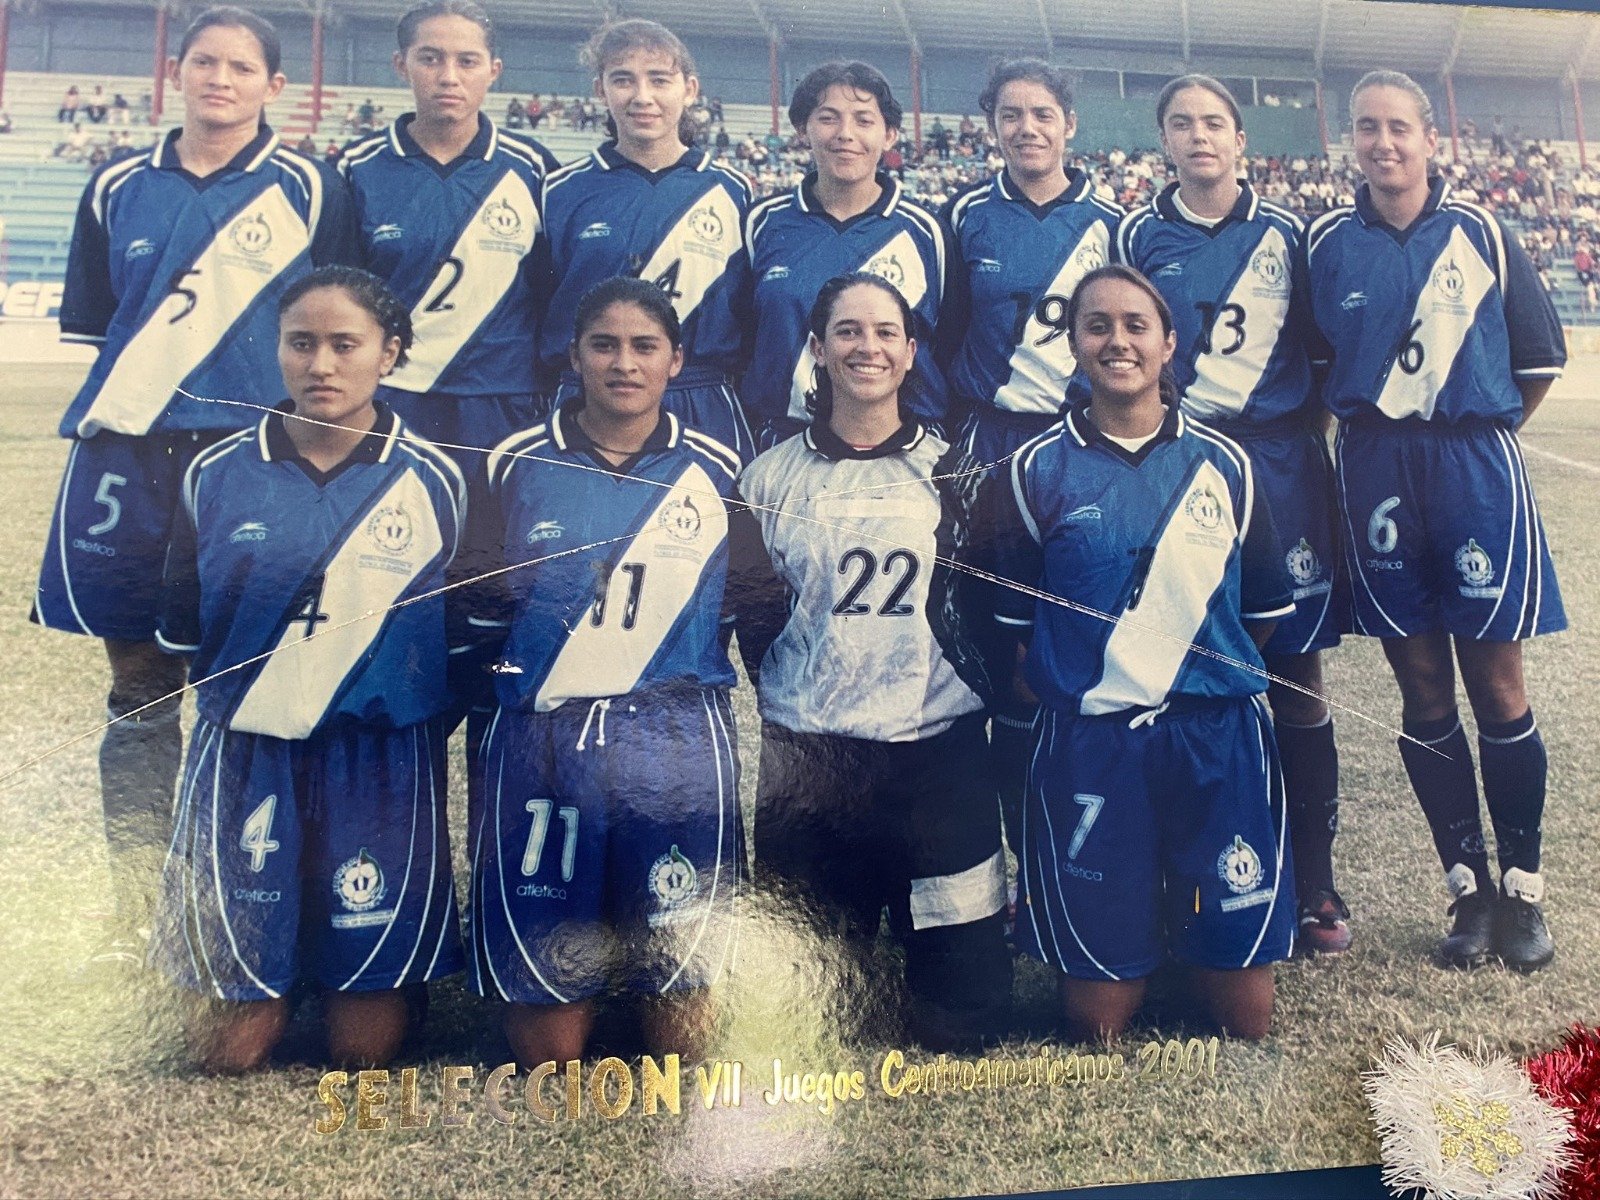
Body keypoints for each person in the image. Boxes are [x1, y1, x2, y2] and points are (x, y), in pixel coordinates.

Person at [31, 4, 358, 968]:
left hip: (255, 463)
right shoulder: (116, 184)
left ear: (275, 86)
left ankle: (256, 894)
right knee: (139, 686)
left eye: (241, 66)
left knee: (264, 679)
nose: (220, 79)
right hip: (130, 466)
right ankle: (138, 903)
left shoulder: (312, 186)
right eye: (204, 61)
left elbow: (339, 324)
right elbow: (100, 325)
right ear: (177, 72)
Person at [151, 266, 467, 1072]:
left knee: (363, 1052)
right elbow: (184, 630)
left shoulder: (437, 477)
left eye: (344, 344)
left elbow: (462, 638)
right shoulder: (216, 473)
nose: (321, 364)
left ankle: (370, 973)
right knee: (229, 1052)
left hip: (379, 759)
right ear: (278, 350)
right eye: (301, 343)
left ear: (389, 353)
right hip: (250, 753)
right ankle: (265, 967)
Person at [981, 264, 1297, 1042]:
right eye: (1097, 326)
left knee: (1246, 1019)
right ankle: (1132, 932)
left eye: (1135, 326)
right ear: (1073, 344)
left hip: (1215, 739)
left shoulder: (1228, 465)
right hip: (1093, 748)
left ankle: (1188, 931)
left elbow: (1260, 617)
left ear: (1168, 345)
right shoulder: (1031, 471)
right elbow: (1015, 631)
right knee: (1097, 1024)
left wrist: (1187, 673)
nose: (1116, 341)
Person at [1304, 71, 1567, 972]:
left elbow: (1539, 360)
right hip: (1374, 468)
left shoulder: (1481, 230)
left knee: (1498, 687)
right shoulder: (1328, 243)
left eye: (1398, 127)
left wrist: (1473, 435)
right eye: (1366, 127)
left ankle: (1523, 893)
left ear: (1429, 139)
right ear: (1351, 140)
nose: (1383, 143)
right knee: (1421, 690)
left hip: (1472, 466)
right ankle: (1467, 891)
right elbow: (1316, 367)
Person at [468, 277, 744, 1067]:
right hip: (547, 739)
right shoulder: (513, 463)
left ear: (676, 360)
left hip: (673, 735)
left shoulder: (720, 469)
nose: (624, 364)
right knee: (547, 1056)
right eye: (605, 345)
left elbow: (738, 608)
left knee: (683, 1042)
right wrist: (521, 684)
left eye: (644, 346)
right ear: (574, 355)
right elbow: (481, 620)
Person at [737, 273, 1010, 1049]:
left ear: (912, 351)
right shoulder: (766, 479)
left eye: (886, 332)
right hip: (815, 763)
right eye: (848, 332)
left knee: (962, 1026)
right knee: (810, 1023)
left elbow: (985, 620)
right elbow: (756, 628)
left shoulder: (958, 474)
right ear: (818, 350)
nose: (868, 347)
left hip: (938, 759)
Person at [1116, 74, 1351, 954]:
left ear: (1241, 139)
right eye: (1181, 122)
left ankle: (1315, 881)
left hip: (1281, 467)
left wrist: (1290, 445)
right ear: (1164, 141)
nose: (1199, 135)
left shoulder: (1290, 234)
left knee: (1295, 672)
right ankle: (1178, 878)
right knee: (1171, 665)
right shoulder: (1138, 234)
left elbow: (1324, 360)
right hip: (1176, 468)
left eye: (1214, 121)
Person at [942, 57, 1122, 876]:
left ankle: (1081, 855)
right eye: (1010, 115)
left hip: (1081, 452)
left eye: (1043, 113)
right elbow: (943, 337)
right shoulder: (964, 218)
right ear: (992, 126)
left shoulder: (1113, 222)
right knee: (996, 653)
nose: (1027, 129)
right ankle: (1007, 865)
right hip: (989, 449)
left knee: (1080, 643)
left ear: (1070, 124)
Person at [340, 0, 557, 582]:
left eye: (467, 60)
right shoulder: (359, 168)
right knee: (388, 564)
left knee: (488, 573)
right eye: (430, 58)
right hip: (393, 398)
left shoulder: (532, 167)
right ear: (401, 64)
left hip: (502, 401)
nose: (448, 76)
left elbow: (549, 292)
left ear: (493, 70)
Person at [540, 19, 755, 462]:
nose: (642, 96)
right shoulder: (560, 190)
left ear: (689, 89)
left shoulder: (732, 190)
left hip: (700, 396)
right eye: (624, 80)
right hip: (590, 398)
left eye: (659, 80)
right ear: (600, 90)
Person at [735, 61, 954, 448]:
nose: (845, 134)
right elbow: (745, 337)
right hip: (785, 441)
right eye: (828, 118)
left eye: (864, 120)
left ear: (889, 135)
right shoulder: (762, 223)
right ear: (803, 129)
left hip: (899, 444)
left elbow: (949, 340)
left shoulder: (927, 231)